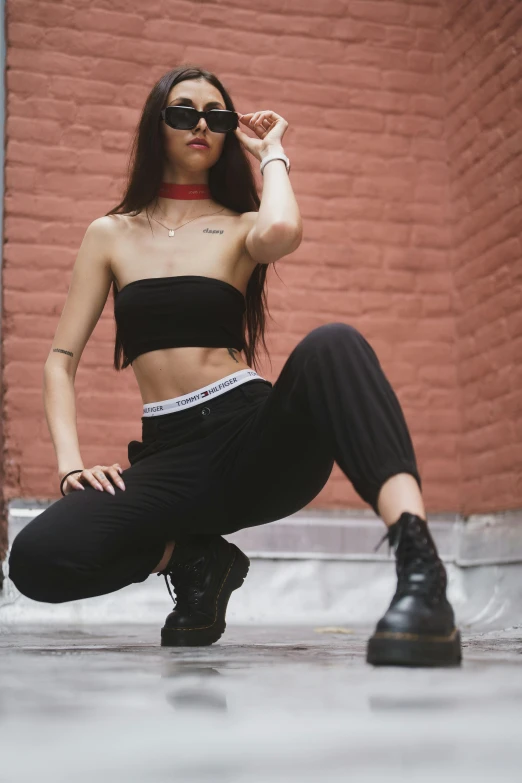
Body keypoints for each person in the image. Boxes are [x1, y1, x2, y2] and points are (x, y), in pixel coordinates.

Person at [8, 65, 461, 668]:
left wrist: (272, 153)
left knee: (333, 343)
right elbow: (60, 362)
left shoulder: (242, 226)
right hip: (170, 458)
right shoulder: (109, 234)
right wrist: (70, 469)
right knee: (36, 559)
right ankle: (197, 560)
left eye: (217, 116)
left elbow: (283, 229)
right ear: (156, 125)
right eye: (183, 111)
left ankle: (420, 571)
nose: (201, 124)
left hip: (253, 442)